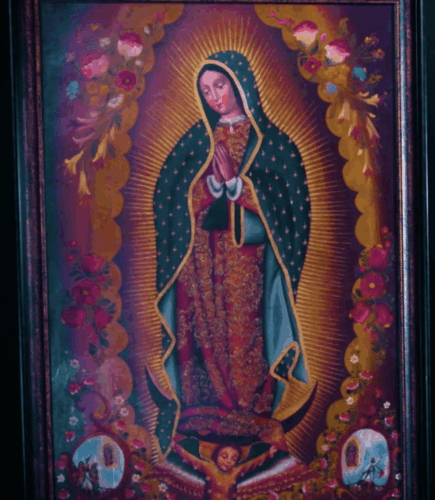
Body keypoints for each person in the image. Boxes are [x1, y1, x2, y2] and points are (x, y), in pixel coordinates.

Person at [150, 50, 314, 458]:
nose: (214, 97)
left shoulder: (273, 144)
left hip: (247, 260)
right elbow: (169, 195)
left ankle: (249, 413)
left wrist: (239, 187)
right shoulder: (195, 141)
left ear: (241, 84)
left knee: (243, 334)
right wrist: (210, 188)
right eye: (206, 91)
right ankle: (200, 411)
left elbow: (290, 208)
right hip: (199, 260)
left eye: (219, 86)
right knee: (202, 332)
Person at [170, 440, 277, 500]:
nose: (228, 461)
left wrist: (268, 454)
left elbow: (253, 463)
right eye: (224, 457)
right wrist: (176, 447)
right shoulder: (209, 467)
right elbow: (191, 459)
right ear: (216, 456)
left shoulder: (237, 470)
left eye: (233, 459)